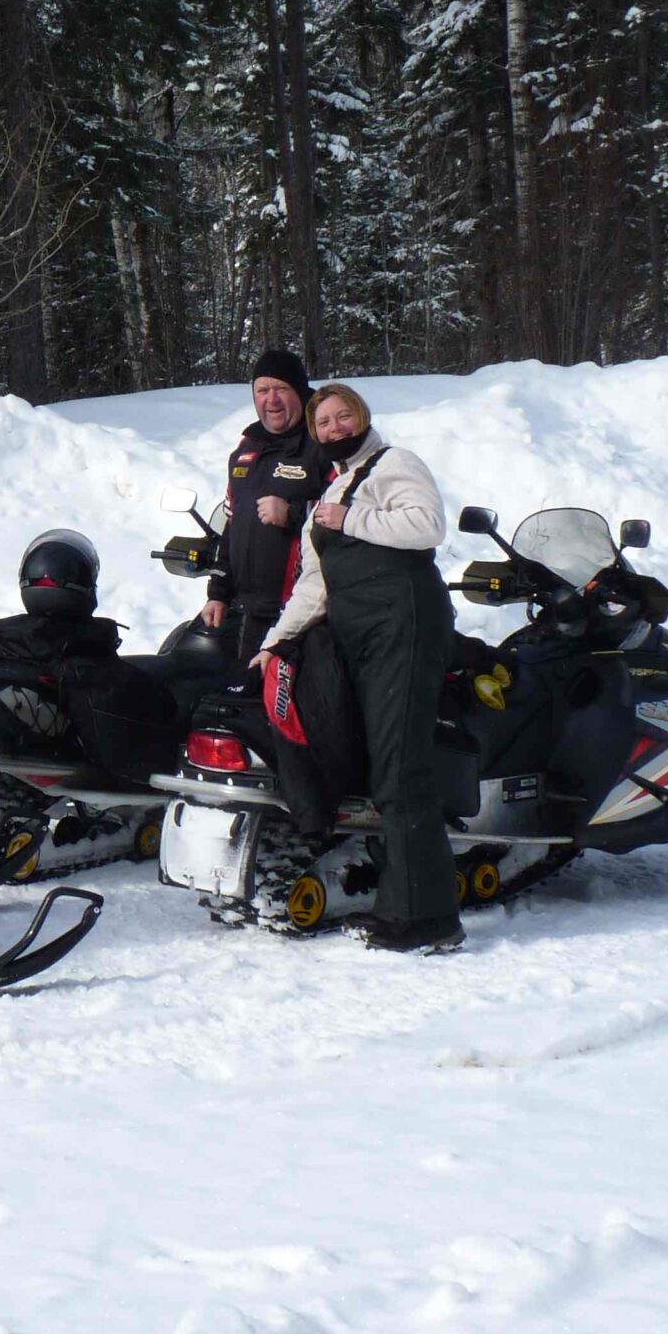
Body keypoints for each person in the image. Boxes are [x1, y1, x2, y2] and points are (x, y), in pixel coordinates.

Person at [252, 382, 461, 953]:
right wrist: (277, 641)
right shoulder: (331, 491)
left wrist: (353, 516)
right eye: (324, 422)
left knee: (400, 768)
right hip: (354, 632)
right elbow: (314, 585)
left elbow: (426, 526)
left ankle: (427, 919)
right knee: (374, 766)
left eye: (345, 416)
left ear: (363, 418)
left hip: (404, 622)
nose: (335, 427)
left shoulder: (396, 464)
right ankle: (398, 902)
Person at [199, 348, 330, 671]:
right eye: (262, 390)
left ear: (300, 391)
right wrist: (218, 593)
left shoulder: (322, 444)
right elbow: (232, 528)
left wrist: (293, 513)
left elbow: (351, 515)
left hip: (307, 613)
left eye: (281, 388)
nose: (271, 399)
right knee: (254, 706)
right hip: (253, 613)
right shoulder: (245, 452)